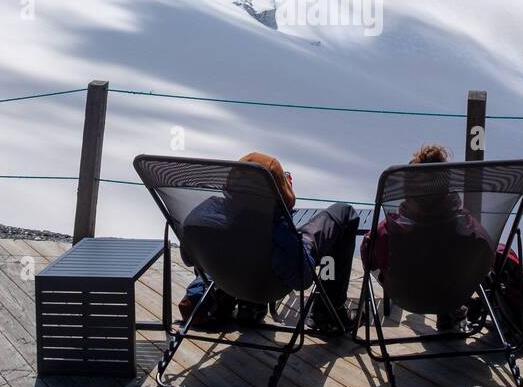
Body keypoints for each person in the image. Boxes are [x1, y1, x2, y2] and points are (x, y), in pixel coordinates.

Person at [180, 153, 360, 336]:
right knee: (343, 213)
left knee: (245, 245)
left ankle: (244, 305)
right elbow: (302, 279)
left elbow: (188, 258)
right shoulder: (279, 232)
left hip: (226, 279)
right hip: (266, 288)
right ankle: (329, 313)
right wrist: (295, 235)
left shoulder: (201, 216)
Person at [360, 144, 487, 332]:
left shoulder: (391, 230)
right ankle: (448, 310)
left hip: (406, 296)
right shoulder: (465, 226)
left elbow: (368, 253)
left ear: (408, 190)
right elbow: (485, 249)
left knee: (373, 250)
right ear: (447, 188)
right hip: (453, 295)